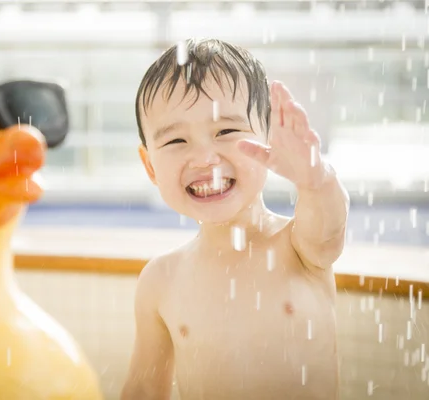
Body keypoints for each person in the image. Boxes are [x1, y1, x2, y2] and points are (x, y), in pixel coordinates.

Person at [120, 38, 349, 400]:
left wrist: (317, 180)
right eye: (176, 141)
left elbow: (330, 228)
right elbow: (144, 389)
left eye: (226, 132)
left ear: (269, 141)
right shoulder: (161, 280)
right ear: (150, 166)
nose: (205, 159)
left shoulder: (299, 245)